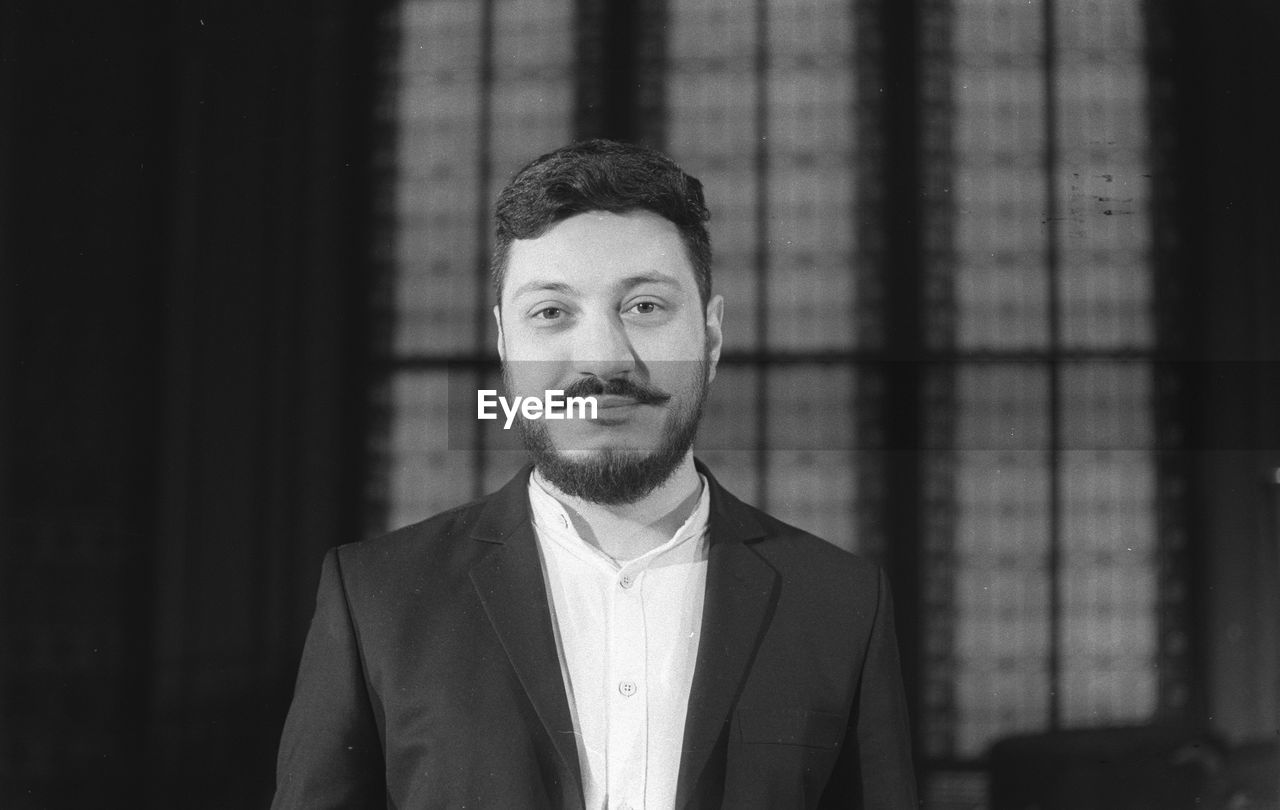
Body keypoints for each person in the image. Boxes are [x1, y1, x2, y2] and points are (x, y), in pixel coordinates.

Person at [271, 139, 917, 809]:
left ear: (712, 338)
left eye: (644, 307)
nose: (602, 360)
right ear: (503, 345)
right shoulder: (375, 598)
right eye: (551, 313)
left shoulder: (842, 605)